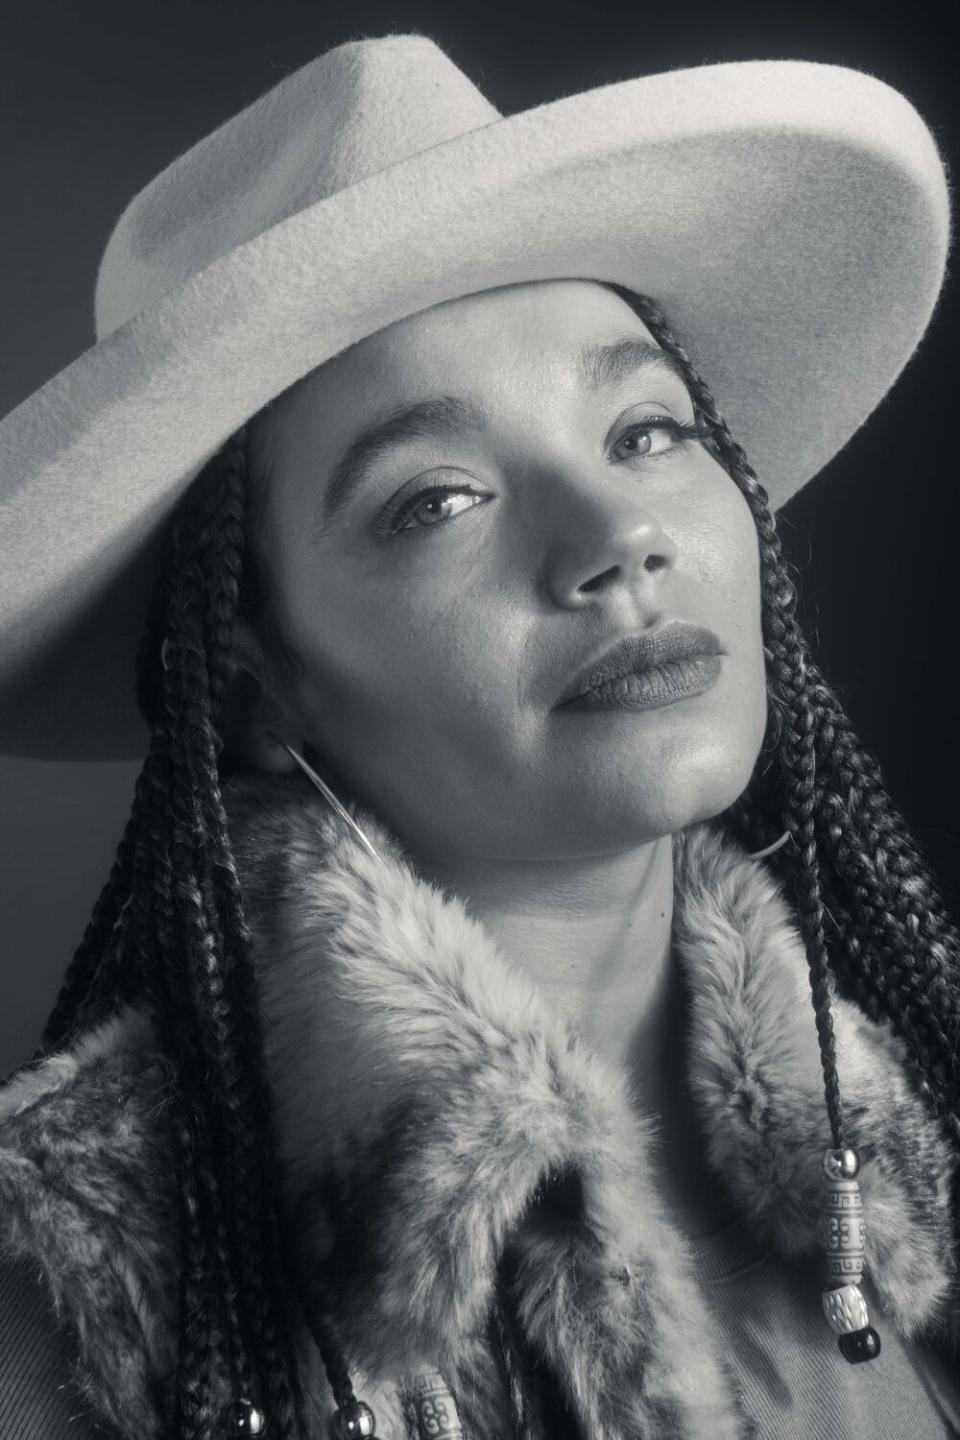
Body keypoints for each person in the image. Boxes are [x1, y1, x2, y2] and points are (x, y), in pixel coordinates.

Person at [0, 30, 957, 1440]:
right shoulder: (85, 1295)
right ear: (257, 680)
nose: (616, 536)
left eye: (645, 431)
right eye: (436, 499)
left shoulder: (919, 1130)